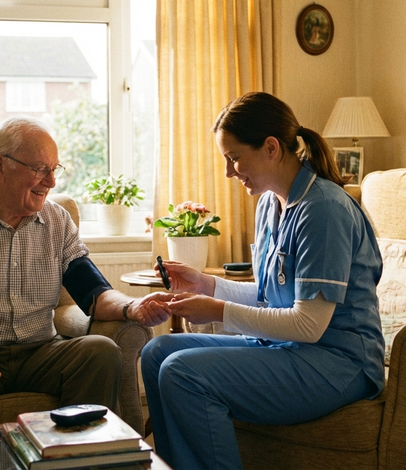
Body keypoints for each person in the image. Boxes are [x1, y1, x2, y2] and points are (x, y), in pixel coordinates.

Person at [141, 92, 385, 469]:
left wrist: (219, 311)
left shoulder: (323, 210)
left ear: (271, 148)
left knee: (182, 371)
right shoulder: (270, 203)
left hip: (338, 363)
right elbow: (273, 296)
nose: (228, 172)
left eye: (234, 158)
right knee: (157, 354)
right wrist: (208, 286)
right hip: (287, 348)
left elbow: (307, 323)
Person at [0, 116, 172, 426]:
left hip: (40, 353)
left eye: (54, 170)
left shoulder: (57, 220)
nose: (51, 182)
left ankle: (81, 460)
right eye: (39, 170)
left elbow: (93, 293)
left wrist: (133, 307)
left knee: (101, 352)